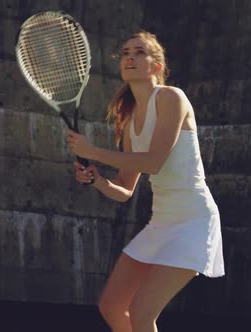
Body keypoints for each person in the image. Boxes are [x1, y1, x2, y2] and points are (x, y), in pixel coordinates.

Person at [66, 32, 225, 332]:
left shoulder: (171, 98)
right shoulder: (128, 123)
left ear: (155, 66)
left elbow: (154, 162)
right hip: (161, 224)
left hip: (194, 222)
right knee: (111, 306)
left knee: (141, 313)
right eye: (126, 52)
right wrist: (98, 180)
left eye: (139, 53)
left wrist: (93, 152)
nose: (130, 58)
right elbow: (126, 190)